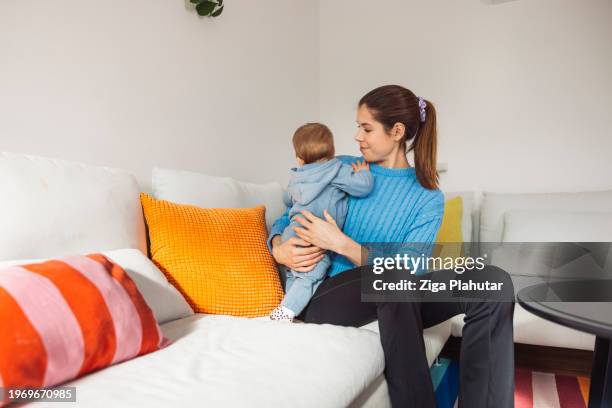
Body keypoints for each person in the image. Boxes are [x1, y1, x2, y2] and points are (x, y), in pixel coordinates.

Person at [267, 85, 515, 407]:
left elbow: (412, 268)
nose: (357, 136)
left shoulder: (427, 197)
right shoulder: (340, 167)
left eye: (366, 128)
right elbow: (287, 216)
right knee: (394, 277)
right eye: (357, 126)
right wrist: (277, 248)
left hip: (396, 289)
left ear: (397, 131)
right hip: (326, 293)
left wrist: (342, 243)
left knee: (492, 282)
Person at [270, 122, 374, 322]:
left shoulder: (296, 176)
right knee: (310, 277)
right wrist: (363, 173)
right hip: (314, 240)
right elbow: (363, 187)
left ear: (299, 158)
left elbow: (287, 201)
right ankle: (286, 312)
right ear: (333, 151)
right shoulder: (336, 169)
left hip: (291, 235)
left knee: (295, 275)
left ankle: (291, 311)